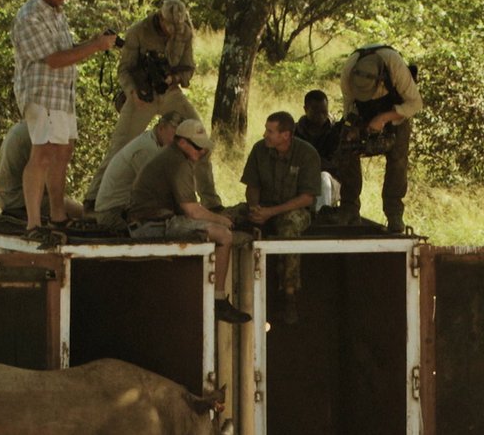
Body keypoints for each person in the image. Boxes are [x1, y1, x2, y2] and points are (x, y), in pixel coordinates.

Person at [84, 0, 222, 212]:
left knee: (198, 138)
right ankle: (93, 200)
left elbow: (188, 68)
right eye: (170, 26)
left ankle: (211, 201)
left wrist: (173, 78)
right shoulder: (138, 31)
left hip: (170, 93)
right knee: (120, 146)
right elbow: (124, 69)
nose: (173, 31)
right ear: (160, 18)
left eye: (178, 27)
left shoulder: (185, 33)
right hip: (141, 96)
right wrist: (133, 92)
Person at [11, 0, 118, 234]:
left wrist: (94, 42)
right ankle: (34, 223)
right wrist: (96, 46)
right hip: (42, 93)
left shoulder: (56, 13)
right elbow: (54, 60)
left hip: (61, 95)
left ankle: (58, 216)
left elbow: (65, 51)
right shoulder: (30, 16)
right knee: (43, 153)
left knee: (63, 151)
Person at [126, 119, 250, 325]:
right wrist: (222, 220)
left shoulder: (170, 156)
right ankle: (219, 300)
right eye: (198, 147)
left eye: (203, 147)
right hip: (152, 225)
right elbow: (192, 210)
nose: (202, 152)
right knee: (224, 236)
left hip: (147, 221)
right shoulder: (178, 163)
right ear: (182, 142)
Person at [229, 111, 321, 323]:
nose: (265, 135)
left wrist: (271, 212)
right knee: (229, 216)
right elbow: (252, 186)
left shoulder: (307, 154)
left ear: (285, 135)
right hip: (263, 207)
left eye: (270, 131)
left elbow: (307, 198)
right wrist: (255, 209)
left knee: (289, 228)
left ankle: (289, 294)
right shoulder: (259, 150)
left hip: (294, 210)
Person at [337, 44, 423, 233]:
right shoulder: (348, 72)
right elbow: (348, 107)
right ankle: (349, 208)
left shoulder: (394, 66)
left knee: (398, 160)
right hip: (363, 114)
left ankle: (394, 214)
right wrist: (354, 129)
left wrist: (384, 118)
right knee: (346, 150)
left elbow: (415, 103)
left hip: (396, 114)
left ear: (382, 79)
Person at [92, 112, 185, 231]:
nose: (177, 141)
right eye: (175, 135)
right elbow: (154, 190)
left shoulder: (153, 142)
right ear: (161, 128)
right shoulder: (147, 149)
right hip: (113, 213)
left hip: (122, 208)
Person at [0, 120, 84, 221]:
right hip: (18, 200)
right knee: (80, 213)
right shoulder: (41, 135)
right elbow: (50, 181)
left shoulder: (29, 127)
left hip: (8, 197)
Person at [293, 89, 341, 211]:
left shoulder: (335, 133)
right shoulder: (294, 132)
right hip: (297, 179)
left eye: (324, 112)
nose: (320, 116)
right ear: (305, 109)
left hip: (329, 182)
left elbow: (336, 165)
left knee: (323, 178)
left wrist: (311, 164)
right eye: (315, 112)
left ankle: (322, 216)